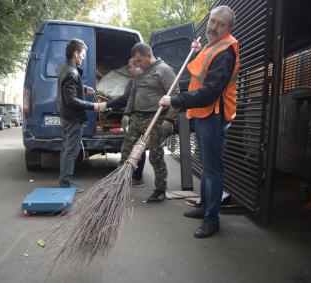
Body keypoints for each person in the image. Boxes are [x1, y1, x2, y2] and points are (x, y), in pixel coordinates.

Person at [159, 5, 240, 237]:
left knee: (213, 170)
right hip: (204, 115)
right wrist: (196, 51)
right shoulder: (211, 46)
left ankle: (212, 219)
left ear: (229, 28)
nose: (213, 26)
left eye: (220, 24)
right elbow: (200, 75)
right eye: (212, 21)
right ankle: (205, 207)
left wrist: (176, 100)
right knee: (206, 166)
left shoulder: (226, 51)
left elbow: (210, 91)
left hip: (214, 116)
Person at [120, 42, 179, 203]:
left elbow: (175, 94)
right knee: (126, 152)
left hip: (155, 119)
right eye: (135, 62)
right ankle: (119, 186)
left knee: (155, 155)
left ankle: (160, 189)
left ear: (149, 55)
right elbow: (133, 94)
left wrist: (170, 119)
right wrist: (127, 113)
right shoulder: (139, 73)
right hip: (137, 117)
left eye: (139, 61)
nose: (137, 65)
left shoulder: (164, 70)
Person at [57, 38, 105, 189]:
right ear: (75, 54)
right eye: (82, 54)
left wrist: (84, 88)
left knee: (67, 148)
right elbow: (71, 100)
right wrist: (94, 106)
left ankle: (65, 180)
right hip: (72, 118)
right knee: (71, 150)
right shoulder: (71, 72)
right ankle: (66, 183)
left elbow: (70, 86)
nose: (83, 57)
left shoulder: (66, 69)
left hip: (66, 116)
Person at [99, 58, 147, 186]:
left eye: (129, 67)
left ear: (136, 66)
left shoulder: (138, 80)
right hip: (137, 117)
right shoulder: (136, 80)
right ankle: (133, 176)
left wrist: (108, 105)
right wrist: (123, 112)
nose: (128, 70)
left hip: (141, 118)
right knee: (137, 148)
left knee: (135, 148)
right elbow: (128, 100)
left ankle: (135, 177)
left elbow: (125, 99)